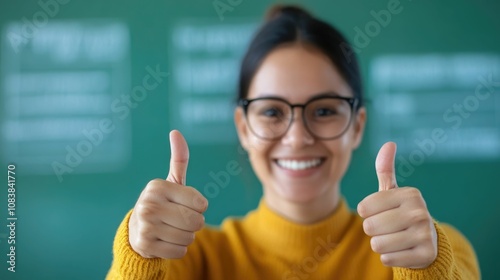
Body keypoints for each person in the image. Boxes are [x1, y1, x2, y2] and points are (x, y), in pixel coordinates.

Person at [106, 5, 480, 280]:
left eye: (323, 111)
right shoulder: (188, 258)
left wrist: (426, 270)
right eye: (271, 112)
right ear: (243, 126)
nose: (298, 137)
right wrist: (139, 254)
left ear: (357, 125)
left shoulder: (431, 252)